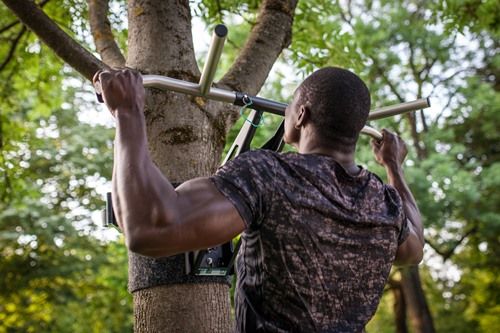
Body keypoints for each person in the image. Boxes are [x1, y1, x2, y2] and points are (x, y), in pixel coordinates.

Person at [94, 67, 424, 333]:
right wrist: (394, 166)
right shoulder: (384, 200)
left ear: (301, 115)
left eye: (292, 103)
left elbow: (149, 229)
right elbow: (414, 249)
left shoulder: (270, 173)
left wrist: (127, 112)